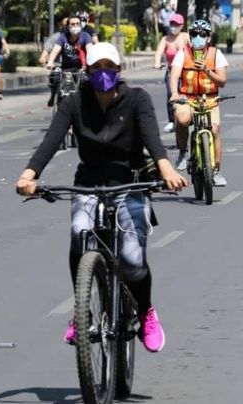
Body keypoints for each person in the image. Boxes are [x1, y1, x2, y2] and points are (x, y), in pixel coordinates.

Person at [17, 42, 187, 353]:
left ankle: (146, 311)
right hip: (89, 182)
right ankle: (83, 314)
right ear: (88, 72)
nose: (104, 73)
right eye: (97, 68)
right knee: (79, 235)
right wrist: (30, 175)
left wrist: (168, 172)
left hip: (130, 182)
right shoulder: (73, 102)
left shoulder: (137, 99)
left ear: (119, 71)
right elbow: (52, 140)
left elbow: (153, 140)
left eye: (110, 67)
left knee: (133, 261)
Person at [169, 19, 229, 185]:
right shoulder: (183, 53)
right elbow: (174, 75)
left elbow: (222, 81)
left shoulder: (216, 54)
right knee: (181, 119)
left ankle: (216, 171)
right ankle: (183, 151)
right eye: (194, 33)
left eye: (202, 34)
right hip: (186, 98)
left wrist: (207, 71)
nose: (197, 37)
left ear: (208, 37)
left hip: (210, 100)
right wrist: (174, 93)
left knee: (215, 130)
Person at [46, 15, 93, 106]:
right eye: (72, 24)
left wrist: (90, 65)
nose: (75, 26)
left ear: (80, 25)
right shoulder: (63, 37)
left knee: (87, 83)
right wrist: (50, 62)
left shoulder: (85, 36)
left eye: (77, 24)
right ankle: (54, 97)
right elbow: (55, 50)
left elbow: (90, 51)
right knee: (54, 77)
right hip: (66, 68)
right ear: (68, 26)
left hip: (81, 67)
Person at [154, 13, 188, 133]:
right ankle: (172, 121)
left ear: (182, 26)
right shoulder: (166, 39)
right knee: (170, 94)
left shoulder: (185, 37)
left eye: (176, 24)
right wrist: (157, 63)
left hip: (185, 71)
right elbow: (158, 53)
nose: (173, 26)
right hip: (171, 71)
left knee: (189, 92)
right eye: (172, 24)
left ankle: (191, 114)